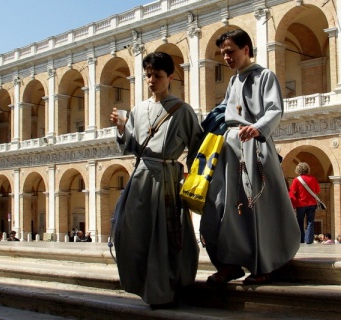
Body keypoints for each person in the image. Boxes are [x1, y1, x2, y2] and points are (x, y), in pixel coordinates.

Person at [200, 29, 300, 286]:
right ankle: (230, 263)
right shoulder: (233, 81)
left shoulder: (265, 75)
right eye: (222, 53)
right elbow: (225, 113)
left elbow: (275, 109)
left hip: (255, 147)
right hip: (230, 150)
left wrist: (258, 128)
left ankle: (264, 263)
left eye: (230, 51)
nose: (226, 57)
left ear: (246, 49)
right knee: (225, 208)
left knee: (257, 209)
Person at [110, 51, 202, 307]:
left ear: (170, 77)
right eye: (148, 75)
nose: (151, 80)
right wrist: (120, 128)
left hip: (167, 180)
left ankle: (165, 290)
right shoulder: (138, 109)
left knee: (164, 237)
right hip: (141, 178)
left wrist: (196, 181)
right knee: (131, 233)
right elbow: (129, 147)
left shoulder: (183, 110)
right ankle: (142, 284)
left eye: (157, 75)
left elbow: (197, 147)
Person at [289, 162, 321, 244]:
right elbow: (317, 190)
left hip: (301, 204)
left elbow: (292, 192)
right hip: (312, 203)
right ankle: (309, 240)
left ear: (298, 170)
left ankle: (301, 240)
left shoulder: (296, 180)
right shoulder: (313, 179)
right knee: (310, 222)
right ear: (307, 169)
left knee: (300, 222)